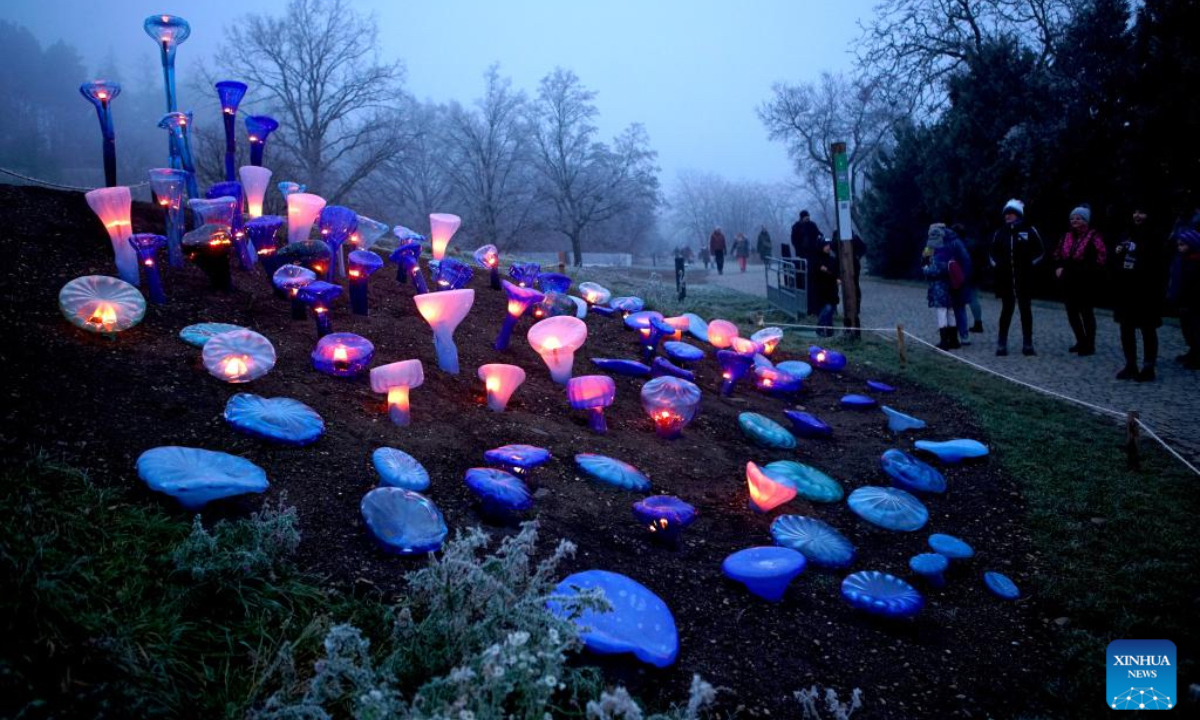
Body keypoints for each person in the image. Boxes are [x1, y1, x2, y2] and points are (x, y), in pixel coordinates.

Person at [1112, 206, 1166, 381]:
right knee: (1126, 327)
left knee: (1147, 328)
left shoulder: (1155, 234)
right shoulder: (1127, 232)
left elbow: (1158, 262)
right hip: (1126, 287)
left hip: (1146, 289)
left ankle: (1148, 367)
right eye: (1135, 211)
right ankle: (1130, 365)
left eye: (1142, 212)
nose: (1137, 215)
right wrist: (1119, 251)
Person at [989, 199, 1045, 356]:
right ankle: (1002, 343)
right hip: (1006, 279)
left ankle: (1028, 343)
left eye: (1011, 213)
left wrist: (1029, 266)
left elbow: (1040, 251)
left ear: (1018, 214)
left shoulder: (1029, 231)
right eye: (1006, 214)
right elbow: (992, 253)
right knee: (1006, 311)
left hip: (1024, 279)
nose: (1007, 216)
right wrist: (997, 266)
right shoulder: (999, 233)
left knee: (1025, 311)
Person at [1053, 204, 1107, 356]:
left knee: (1086, 312)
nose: (1074, 220)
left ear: (1086, 220)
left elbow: (1101, 257)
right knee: (1071, 312)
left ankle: (1089, 344)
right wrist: (1058, 266)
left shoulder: (1093, 236)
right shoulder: (1066, 236)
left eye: (1078, 218)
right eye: (1072, 218)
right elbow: (1057, 253)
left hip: (1085, 280)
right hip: (1068, 279)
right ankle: (1081, 340)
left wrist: (1086, 270)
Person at [923, 224, 961, 350]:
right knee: (950, 311)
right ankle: (954, 340)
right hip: (948, 284)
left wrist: (925, 270)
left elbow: (930, 266)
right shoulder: (948, 246)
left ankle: (944, 341)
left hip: (938, 286)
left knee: (941, 312)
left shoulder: (933, 248)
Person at [1169, 225, 1200, 369]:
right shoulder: (1182, 260)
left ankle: (1197, 355)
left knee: (1195, 328)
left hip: (1193, 301)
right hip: (1184, 300)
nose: (1179, 248)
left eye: (1183, 245)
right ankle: (1193, 350)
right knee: (1187, 328)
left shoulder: (1194, 262)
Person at [942, 225, 973, 346]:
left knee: (959, 308)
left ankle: (964, 335)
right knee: (950, 309)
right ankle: (952, 335)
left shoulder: (955, 243)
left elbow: (966, 261)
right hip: (947, 281)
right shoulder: (947, 242)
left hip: (957, 281)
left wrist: (962, 278)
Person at [952, 222, 986, 333]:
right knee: (973, 299)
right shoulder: (973, 243)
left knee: (958, 301)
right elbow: (981, 260)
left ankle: (959, 325)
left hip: (961, 275)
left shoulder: (956, 245)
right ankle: (978, 323)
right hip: (974, 274)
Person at [791, 210, 824, 315]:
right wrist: (799, 249)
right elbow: (794, 240)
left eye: (808, 216)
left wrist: (819, 239)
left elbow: (818, 233)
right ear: (801, 217)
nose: (807, 218)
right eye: (806, 217)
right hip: (802, 254)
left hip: (812, 254)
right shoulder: (796, 226)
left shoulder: (812, 225)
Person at [813, 238, 840, 336]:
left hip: (832, 289)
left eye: (829, 245)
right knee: (827, 308)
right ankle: (820, 328)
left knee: (830, 309)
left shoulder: (832, 260)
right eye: (825, 245)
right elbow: (816, 274)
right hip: (822, 289)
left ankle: (828, 331)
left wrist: (837, 278)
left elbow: (836, 271)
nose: (828, 247)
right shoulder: (817, 260)